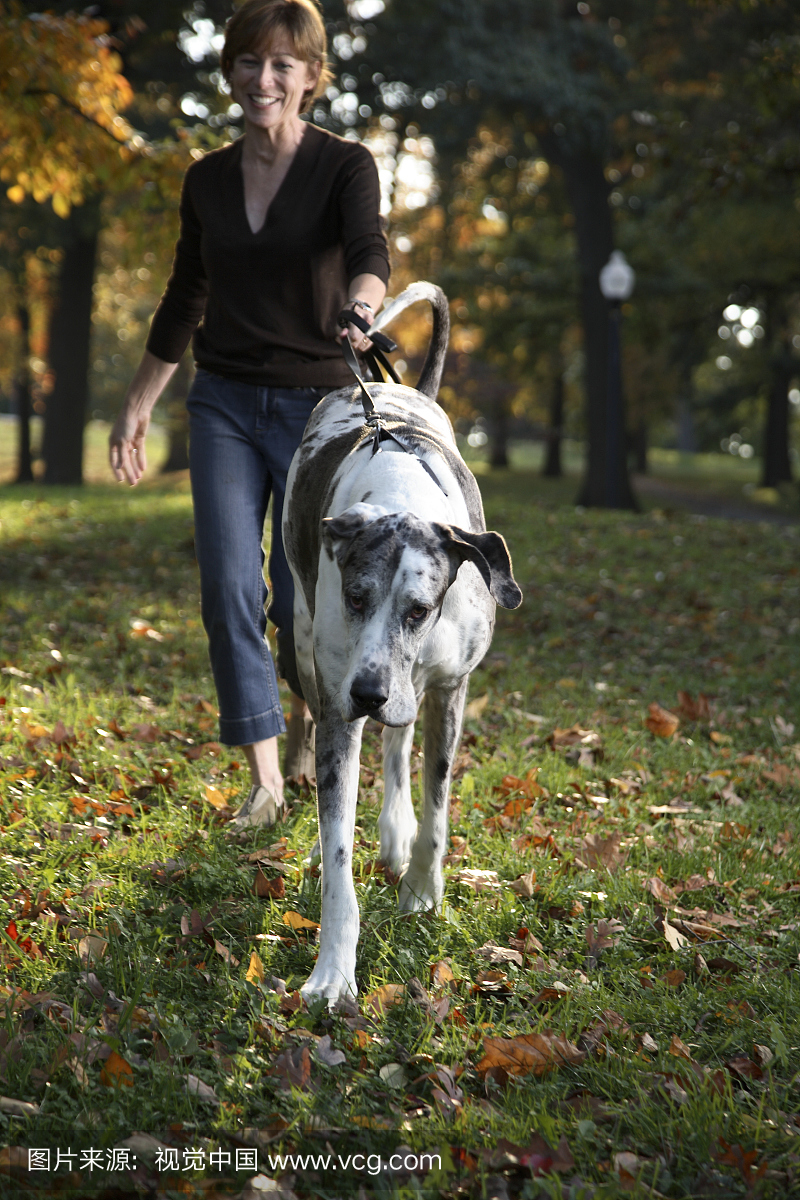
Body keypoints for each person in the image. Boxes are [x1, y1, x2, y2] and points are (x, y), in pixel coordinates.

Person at [109, 0, 389, 827]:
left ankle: (311, 719)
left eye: (281, 65)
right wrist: (135, 410)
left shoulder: (346, 166)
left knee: (299, 598)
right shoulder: (205, 178)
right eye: (247, 62)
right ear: (229, 70)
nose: (262, 79)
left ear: (310, 76)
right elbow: (183, 298)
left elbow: (369, 251)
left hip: (318, 410)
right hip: (224, 399)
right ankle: (266, 779)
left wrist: (365, 305)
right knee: (229, 587)